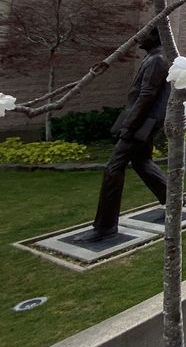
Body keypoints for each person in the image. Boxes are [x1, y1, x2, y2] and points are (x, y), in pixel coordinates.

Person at [72, 30, 170, 243]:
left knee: (113, 168)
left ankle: (105, 226)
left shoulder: (158, 59)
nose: (139, 37)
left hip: (143, 122)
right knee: (142, 162)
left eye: (144, 34)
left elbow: (147, 95)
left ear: (155, 36)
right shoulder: (152, 57)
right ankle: (174, 199)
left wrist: (130, 124)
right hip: (142, 120)